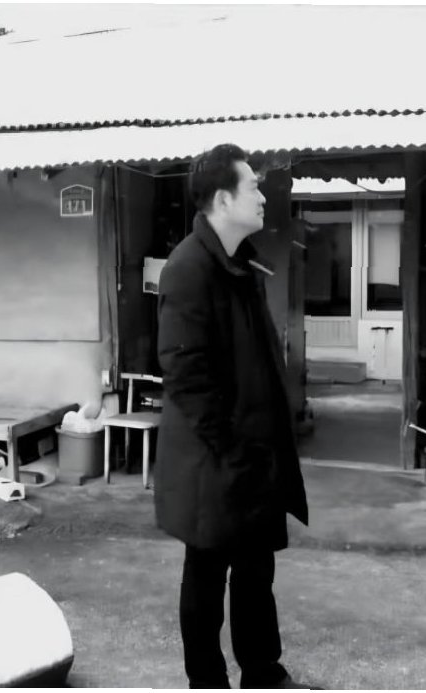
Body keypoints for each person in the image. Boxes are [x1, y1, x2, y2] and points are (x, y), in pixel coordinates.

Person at [154, 144, 315, 690]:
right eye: (253, 187)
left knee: (255, 570)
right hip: (214, 463)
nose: (263, 196)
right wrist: (231, 450)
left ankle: (262, 672)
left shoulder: (243, 264)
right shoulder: (188, 269)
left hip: (253, 455)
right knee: (206, 576)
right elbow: (185, 375)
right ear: (223, 199)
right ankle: (207, 682)